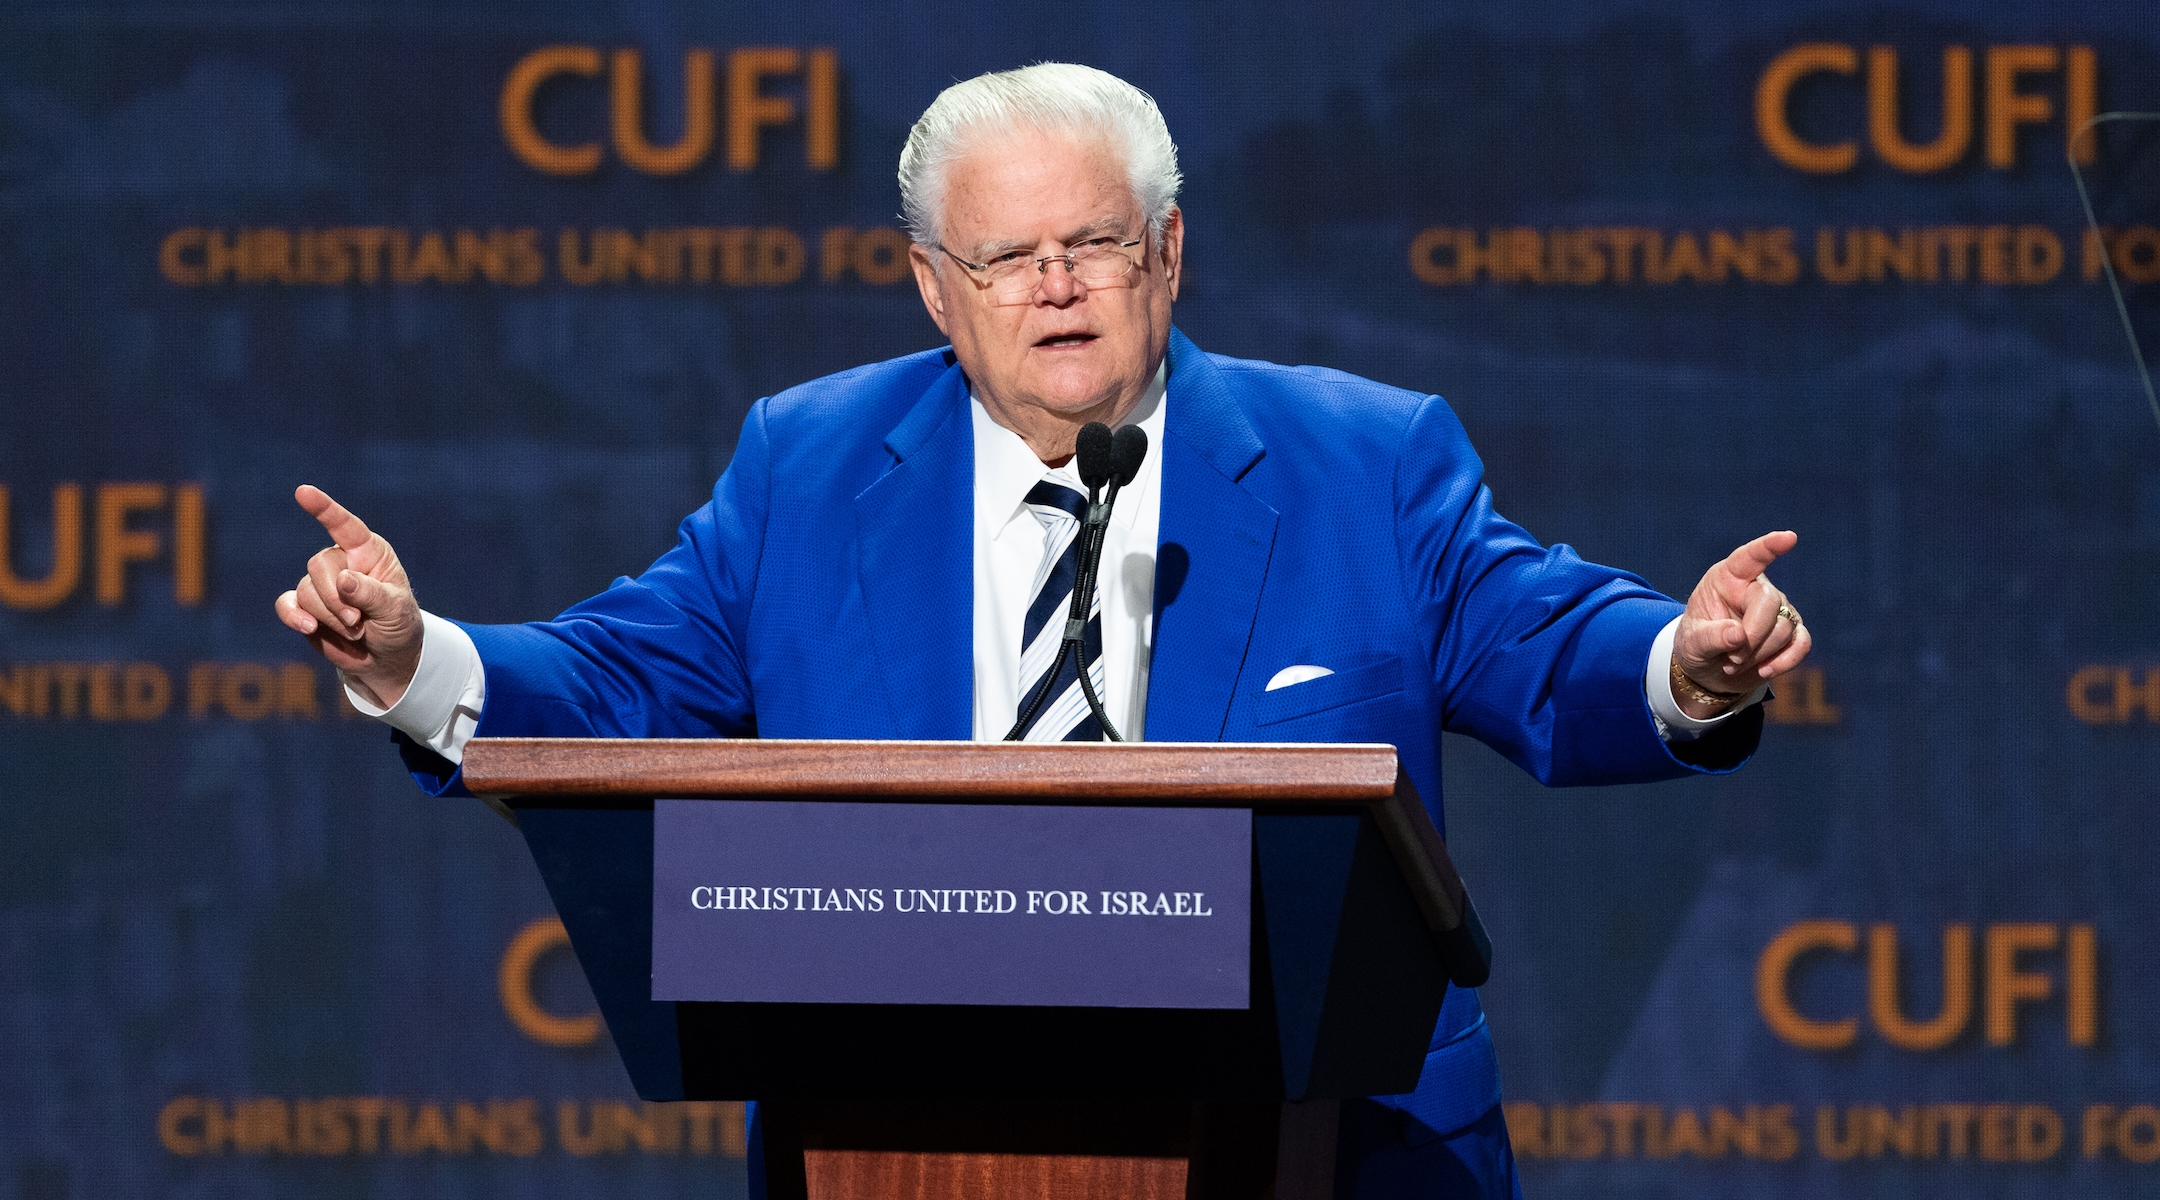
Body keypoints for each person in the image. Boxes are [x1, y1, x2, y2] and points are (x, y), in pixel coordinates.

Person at [275, 63, 1808, 1200]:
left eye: (1096, 242)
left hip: (1336, 1151)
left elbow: (1544, 646)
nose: (1058, 289)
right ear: (936, 292)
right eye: (1008, 260)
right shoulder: (805, 467)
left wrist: (1693, 658)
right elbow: (617, 677)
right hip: (889, 1133)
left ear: (1171, 254)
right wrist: (418, 661)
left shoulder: (1362, 458)